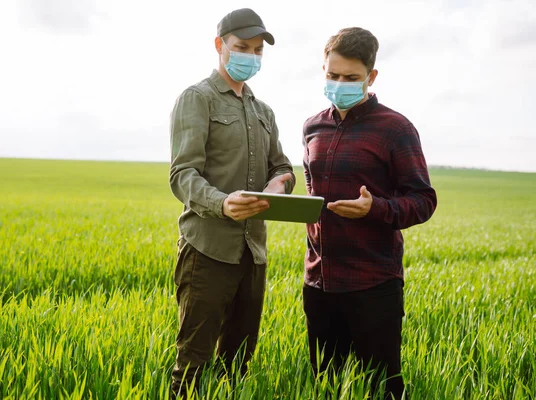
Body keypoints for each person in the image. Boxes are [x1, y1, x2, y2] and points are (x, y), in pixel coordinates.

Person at [302, 27, 437, 399]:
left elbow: (424, 200)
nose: (339, 83)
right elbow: (313, 191)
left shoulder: (396, 129)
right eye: (332, 76)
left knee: (383, 389)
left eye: (351, 78)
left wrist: (375, 208)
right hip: (319, 282)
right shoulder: (313, 127)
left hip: (373, 285)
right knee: (325, 387)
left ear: (371, 77)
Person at [168, 8, 295, 397]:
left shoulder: (264, 111)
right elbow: (182, 174)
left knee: (238, 362)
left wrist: (280, 186)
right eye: (242, 47)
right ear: (219, 45)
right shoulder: (197, 98)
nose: (250, 57)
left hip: (252, 252)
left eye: (258, 50)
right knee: (193, 361)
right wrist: (223, 203)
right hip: (208, 250)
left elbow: (284, 167)